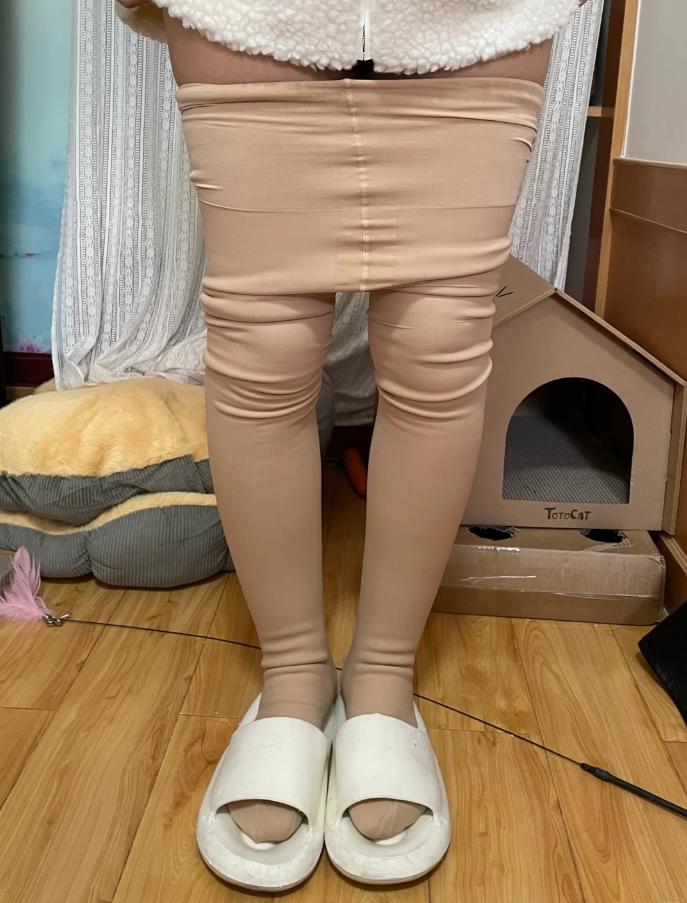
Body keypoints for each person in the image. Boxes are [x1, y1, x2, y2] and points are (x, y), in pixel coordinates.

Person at [117, 0, 589, 891]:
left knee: (440, 348)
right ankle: (292, 675)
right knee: (259, 351)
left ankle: (382, 677)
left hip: (476, 19)